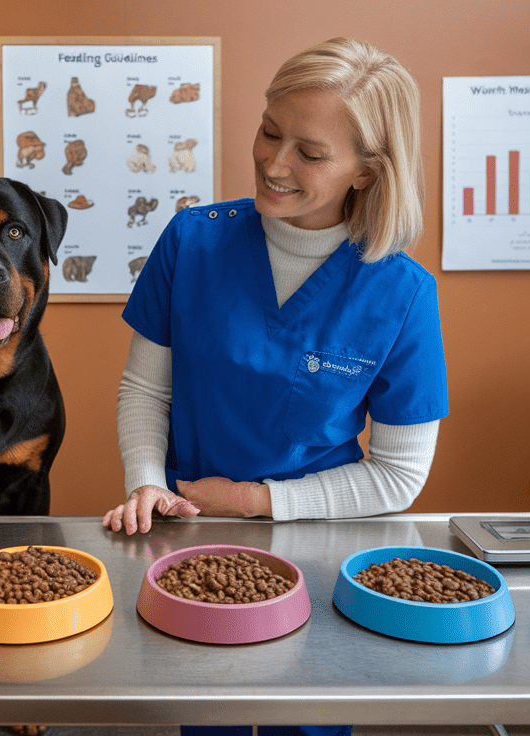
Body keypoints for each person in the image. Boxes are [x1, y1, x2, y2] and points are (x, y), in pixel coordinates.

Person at [102, 36, 447, 548]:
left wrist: (257, 502)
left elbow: (399, 475)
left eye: (309, 153)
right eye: (269, 132)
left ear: (367, 172)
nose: (274, 164)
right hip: (187, 522)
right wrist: (147, 484)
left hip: (318, 537)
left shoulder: (403, 293)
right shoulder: (191, 240)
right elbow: (147, 390)